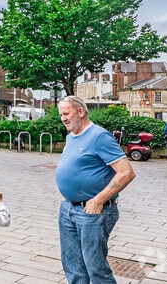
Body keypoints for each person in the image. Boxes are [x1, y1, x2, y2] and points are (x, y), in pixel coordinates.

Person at [55, 95, 135, 284]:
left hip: (92, 212)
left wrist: (98, 200)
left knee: (95, 268)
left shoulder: (99, 136)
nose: (63, 118)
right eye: (61, 115)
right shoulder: (71, 137)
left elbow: (126, 173)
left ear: (80, 112)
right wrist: (67, 193)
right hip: (68, 209)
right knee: (73, 265)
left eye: (66, 113)